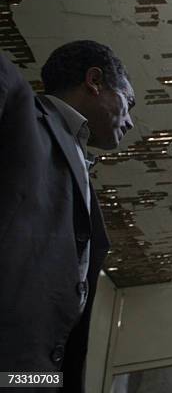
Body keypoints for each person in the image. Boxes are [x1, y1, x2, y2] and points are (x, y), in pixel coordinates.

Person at [0, 40, 135, 391]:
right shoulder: (15, 99)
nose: (131, 121)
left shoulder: (76, 165)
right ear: (95, 80)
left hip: (30, 376)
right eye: (129, 103)